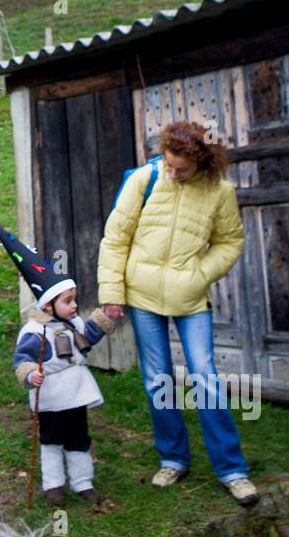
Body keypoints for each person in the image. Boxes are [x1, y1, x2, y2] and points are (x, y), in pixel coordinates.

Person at [96, 121, 258, 506]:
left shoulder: (221, 191)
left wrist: (200, 274)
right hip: (143, 295)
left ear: (201, 162)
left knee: (206, 379)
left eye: (180, 168)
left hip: (191, 300)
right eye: (168, 164)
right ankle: (173, 459)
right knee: (158, 381)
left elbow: (230, 241)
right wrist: (112, 293)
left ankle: (232, 470)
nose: (172, 172)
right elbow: (115, 238)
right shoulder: (144, 179)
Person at [0, 212, 115, 507]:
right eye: (68, 301)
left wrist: (105, 318)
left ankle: (83, 482)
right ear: (48, 305)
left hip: (76, 393)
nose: (74, 305)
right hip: (52, 396)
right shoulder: (35, 331)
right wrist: (31, 375)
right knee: (52, 439)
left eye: (74, 300)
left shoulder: (72, 323)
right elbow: (23, 360)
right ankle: (54, 484)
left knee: (79, 437)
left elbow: (88, 337)